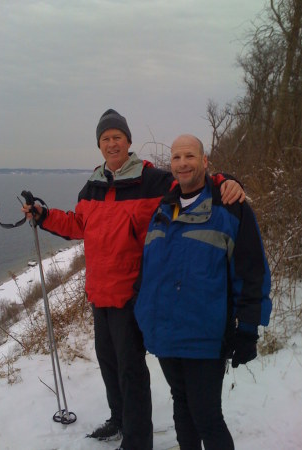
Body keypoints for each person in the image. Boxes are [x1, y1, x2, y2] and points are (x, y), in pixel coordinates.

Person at [22, 112, 245, 450]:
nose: (112, 143)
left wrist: (226, 180)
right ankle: (119, 419)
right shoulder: (92, 185)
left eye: (117, 137)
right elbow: (78, 224)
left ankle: (137, 440)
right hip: (99, 292)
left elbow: (193, 182)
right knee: (109, 364)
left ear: (128, 142)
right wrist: (43, 215)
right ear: (99, 145)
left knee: (131, 370)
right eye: (105, 138)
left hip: (131, 293)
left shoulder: (152, 180)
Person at [134, 134, 272, 450]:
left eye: (190, 156)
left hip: (205, 337)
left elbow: (252, 272)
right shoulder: (163, 209)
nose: (183, 163)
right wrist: (142, 311)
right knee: (181, 407)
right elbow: (149, 267)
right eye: (177, 158)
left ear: (205, 161)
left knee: (207, 417)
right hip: (167, 334)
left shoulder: (230, 208)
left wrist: (248, 329)